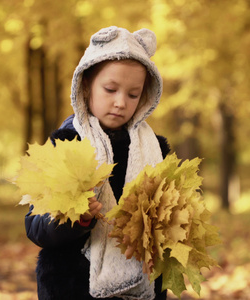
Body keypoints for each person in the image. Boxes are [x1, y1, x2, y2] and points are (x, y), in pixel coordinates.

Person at [25, 26, 170, 300]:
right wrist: (75, 218)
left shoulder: (156, 150)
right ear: (86, 85)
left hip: (142, 286)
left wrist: (167, 234)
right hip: (71, 285)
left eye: (133, 94)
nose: (120, 103)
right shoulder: (67, 144)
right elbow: (35, 226)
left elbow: (180, 214)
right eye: (110, 89)